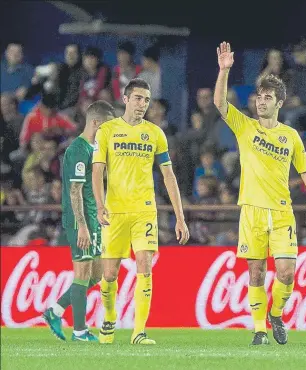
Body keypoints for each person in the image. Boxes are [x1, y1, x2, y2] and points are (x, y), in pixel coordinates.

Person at [214, 42, 306, 345]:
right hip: (251, 210)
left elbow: (305, 170)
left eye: (268, 97)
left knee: (287, 274)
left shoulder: (290, 135)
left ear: (279, 102)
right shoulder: (245, 127)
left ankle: (276, 313)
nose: (261, 101)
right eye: (259, 96)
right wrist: (224, 70)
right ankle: (259, 330)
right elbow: (220, 104)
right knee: (255, 273)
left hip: (281, 212)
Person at [92, 78, 189, 345]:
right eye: (137, 98)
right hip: (115, 213)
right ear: (125, 99)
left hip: (145, 211)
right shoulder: (108, 131)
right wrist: (100, 205)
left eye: (146, 100)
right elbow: (98, 170)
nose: (142, 104)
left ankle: (139, 332)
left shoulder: (156, 134)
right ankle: (109, 319)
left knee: (144, 267)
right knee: (109, 274)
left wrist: (180, 217)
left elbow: (169, 176)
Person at [42, 100, 116, 342]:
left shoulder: (93, 149)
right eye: (107, 126)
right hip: (79, 221)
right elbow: (75, 190)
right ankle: (80, 331)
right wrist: (82, 225)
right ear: (95, 122)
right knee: (82, 273)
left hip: (92, 218)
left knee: (95, 274)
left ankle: (55, 311)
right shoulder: (78, 150)